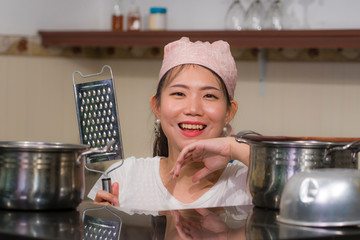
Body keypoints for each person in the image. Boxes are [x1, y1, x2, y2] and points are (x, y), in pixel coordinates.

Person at [88, 37, 252, 211]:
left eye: (209, 96)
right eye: (179, 93)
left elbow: (284, 179)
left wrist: (233, 147)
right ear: (157, 106)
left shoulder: (245, 181)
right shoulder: (124, 177)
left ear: (229, 112)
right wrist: (103, 221)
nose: (193, 108)